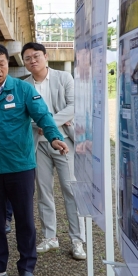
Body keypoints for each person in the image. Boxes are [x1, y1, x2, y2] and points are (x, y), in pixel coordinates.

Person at [0, 44, 69, 276]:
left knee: (24, 220)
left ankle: (26, 268)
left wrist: (55, 137)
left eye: (2, 64)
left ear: (7, 66)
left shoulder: (23, 89)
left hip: (20, 167)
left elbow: (43, 116)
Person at [22, 42, 85, 260]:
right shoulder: (24, 85)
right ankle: (50, 237)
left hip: (64, 141)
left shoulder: (64, 78)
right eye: (28, 58)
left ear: (46, 57)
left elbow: (73, 107)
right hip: (38, 143)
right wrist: (42, 128)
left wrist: (48, 124)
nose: (33, 60)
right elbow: (23, 116)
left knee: (70, 190)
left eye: (36, 56)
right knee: (43, 191)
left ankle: (77, 240)